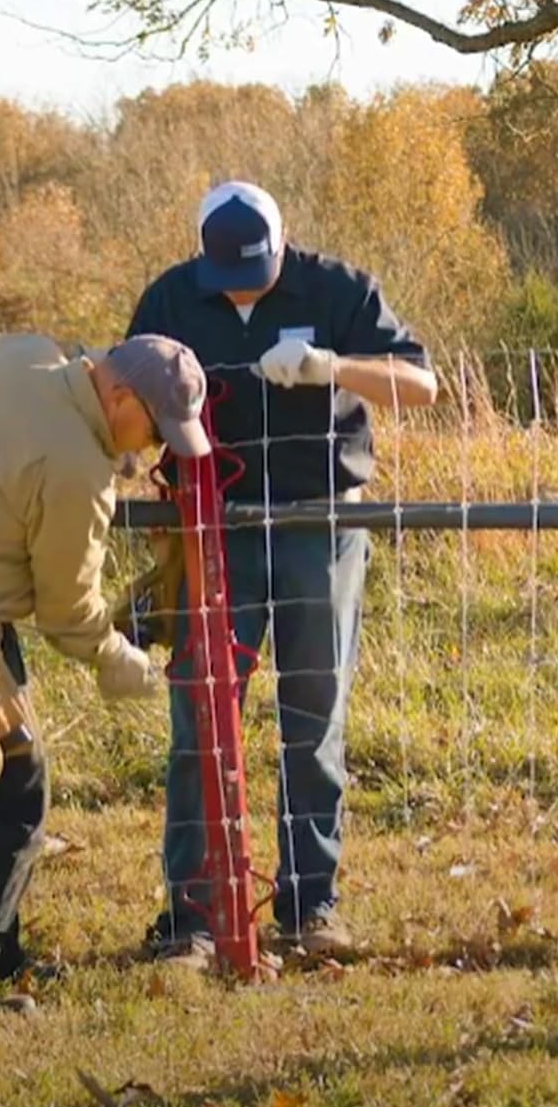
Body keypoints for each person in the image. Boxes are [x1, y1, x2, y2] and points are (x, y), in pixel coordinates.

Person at [127, 180, 438, 966]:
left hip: (321, 523)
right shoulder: (169, 298)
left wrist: (334, 367)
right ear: (201, 253)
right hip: (209, 528)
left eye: (256, 268)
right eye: (227, 271)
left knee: (314, 716)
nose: (241, 284)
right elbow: (122, 401)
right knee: (201, 717)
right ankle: (192, 920)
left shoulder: (339, 289)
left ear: (283, 242)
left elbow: (422, 386)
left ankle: (310, 906)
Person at [0, 330, 210, 1020]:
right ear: (119, 395)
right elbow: (69, 612)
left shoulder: (24, 359)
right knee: (8, 800)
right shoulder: (78, 467)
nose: (155, 449)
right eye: (155, 428)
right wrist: (119, 661)